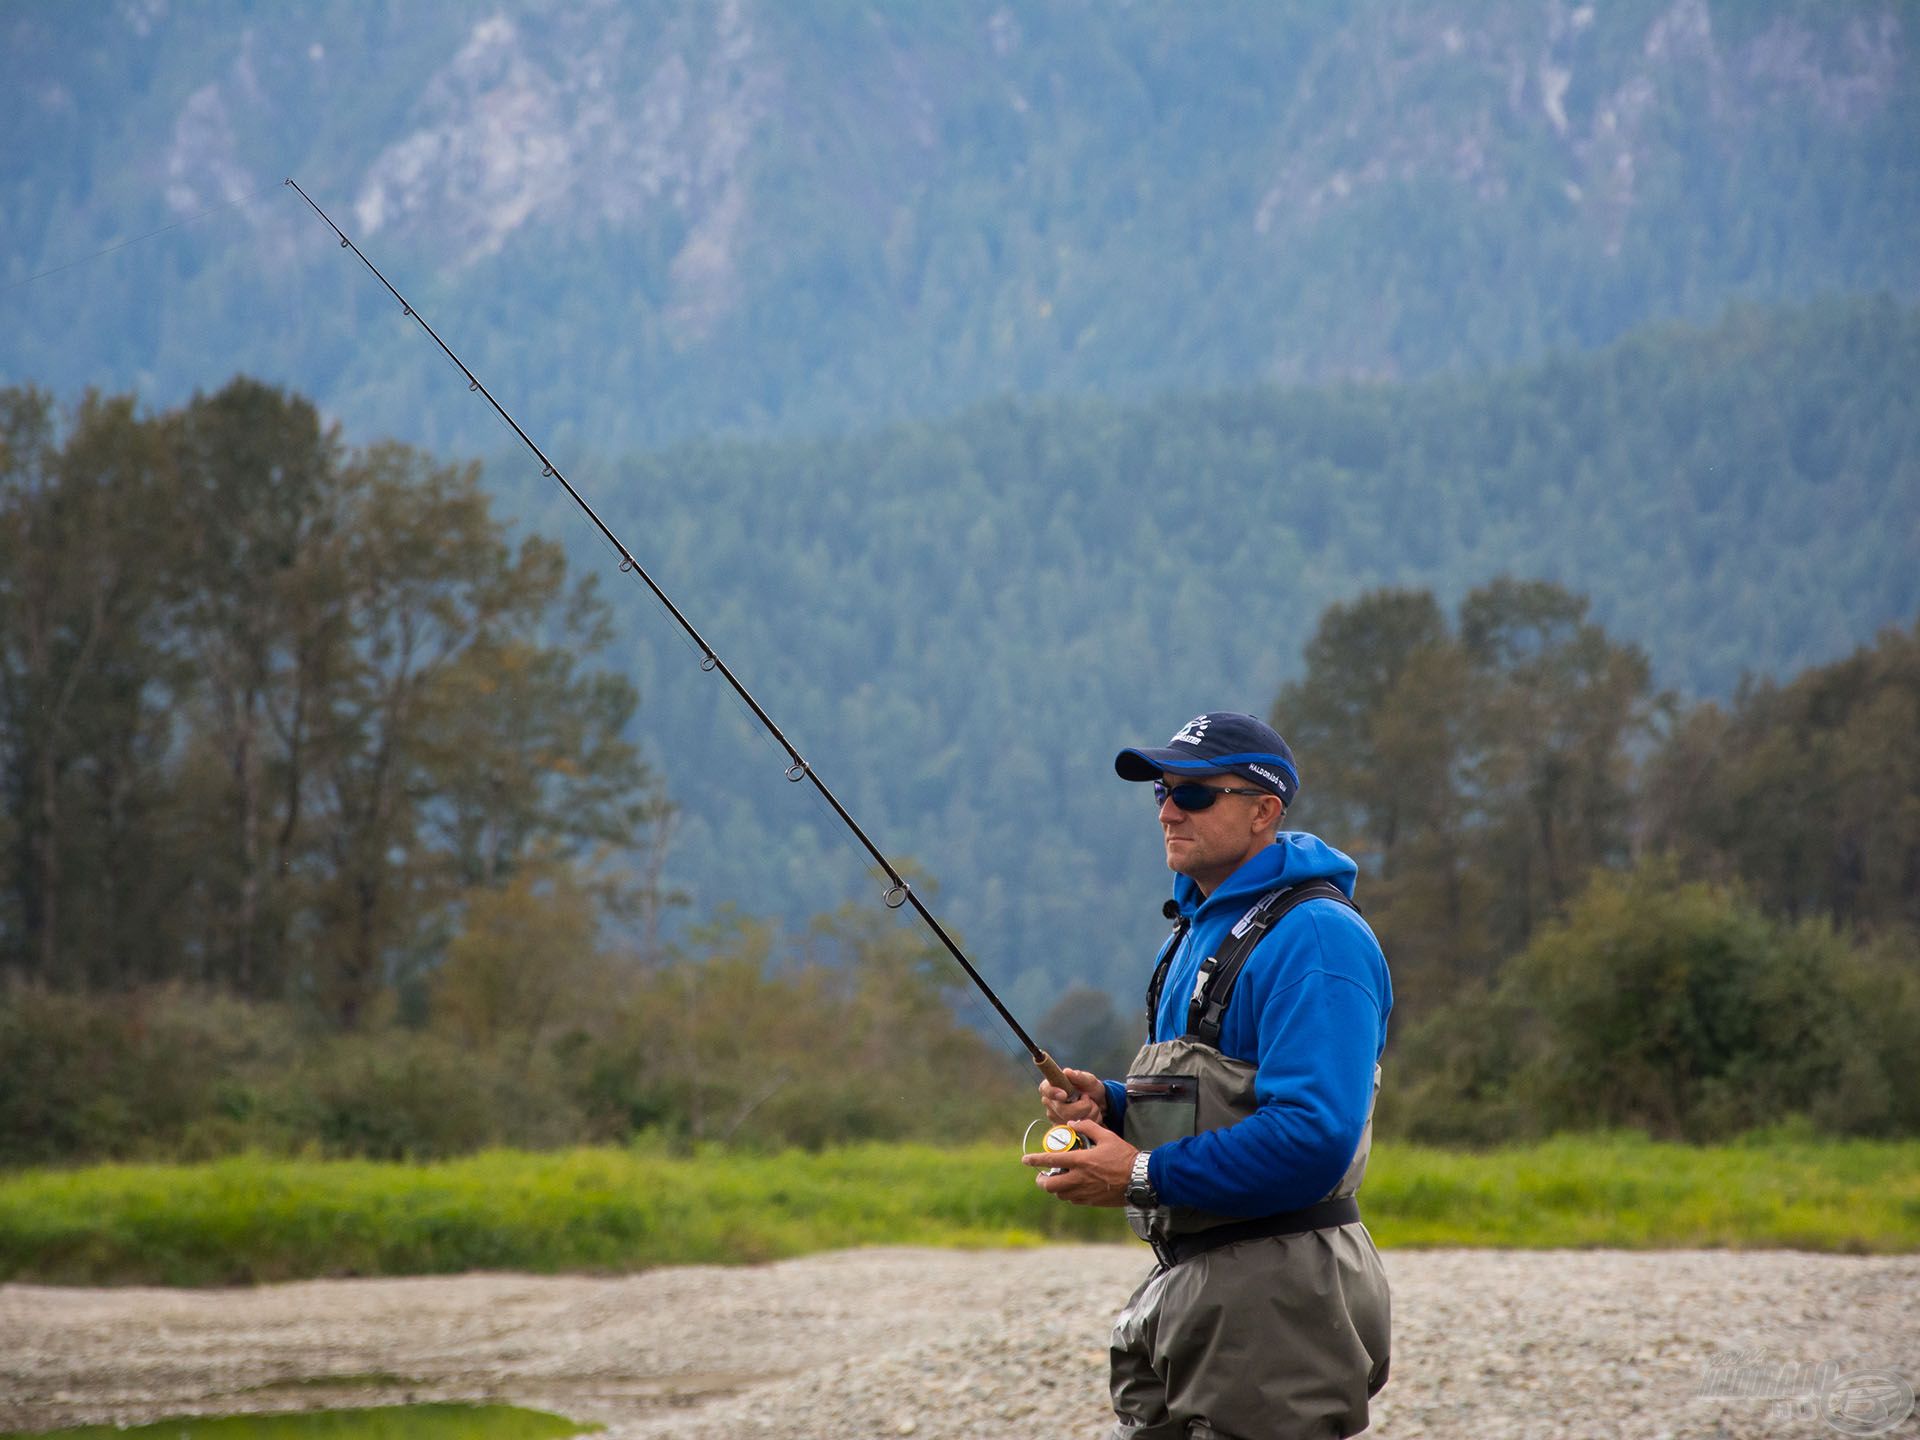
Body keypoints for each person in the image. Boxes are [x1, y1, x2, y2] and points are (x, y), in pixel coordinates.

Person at [1024, 711, 1392, 1440]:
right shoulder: (1201, 929)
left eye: (1194, 794)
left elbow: (1313, 1136)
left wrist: (1138, 1174)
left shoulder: (1316, 938)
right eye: (1162, 789)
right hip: (1198, 1283)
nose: (1166, 808)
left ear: (1264, 811)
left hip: (1278, 1293)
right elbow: (1226, 1096)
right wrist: (1116, 1106)